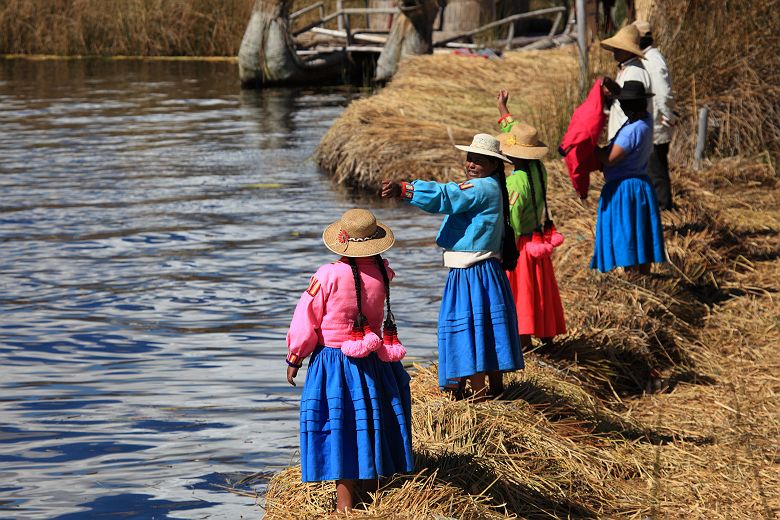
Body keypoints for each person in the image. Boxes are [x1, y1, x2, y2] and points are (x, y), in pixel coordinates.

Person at [285, 208, 413, 513]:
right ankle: (371, 497)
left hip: (335, 364)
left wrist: (295, 356)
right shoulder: (383, 272)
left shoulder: (327, 274)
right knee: (369, 423)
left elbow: (307, 317)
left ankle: (343, 507)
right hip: (374, 361)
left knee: (340, 428)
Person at [380, 134, 523, 400]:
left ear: (494, 165)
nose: (471, 164)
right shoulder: (493, 185)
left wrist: (407, 190)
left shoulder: (480, 188)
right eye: (470, 158)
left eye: (480, 160)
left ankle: (479, 396)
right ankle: (495, 388)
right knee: (485, 326)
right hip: (485, 270)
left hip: (472, 272)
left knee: (470, 328)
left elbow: (448, 196)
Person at [495, 90, 566, 349]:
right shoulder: (539, 168)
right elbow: (520, 131)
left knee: (522, 297)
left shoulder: (515, 182)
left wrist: (503, 250)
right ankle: (548, 339)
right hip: (539, 241)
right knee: (541, 292)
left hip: (523, 246)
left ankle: (523, 344)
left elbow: (510, 220)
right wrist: (503, 109)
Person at [593, 80, 666, 274]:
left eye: (624, 103)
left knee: (627, 236)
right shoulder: (646, 121)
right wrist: (614, 89)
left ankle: (634, 278)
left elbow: (610, 159)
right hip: (640, 185)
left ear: (629, 106)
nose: (622, 106)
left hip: (625, 190)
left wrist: (591, 147)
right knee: (639, 234)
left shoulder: (631, 131)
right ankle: (643, 277)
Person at [635, 20, 676, 210]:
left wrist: (667, 115)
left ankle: (663, 207)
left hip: (657, 125)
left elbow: (663, 93)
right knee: (653, 168)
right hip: (652, 123)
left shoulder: (653, 60)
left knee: (656, 169)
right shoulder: (647, 58)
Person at [600, 24, 653, 141]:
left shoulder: (635, 71)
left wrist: (613, 87)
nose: (614, 51)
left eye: (618, 48)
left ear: (629, 51)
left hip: (627, 138)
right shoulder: (627, 69)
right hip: (623, 135)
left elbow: (632, 104)